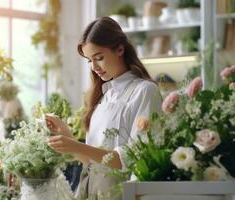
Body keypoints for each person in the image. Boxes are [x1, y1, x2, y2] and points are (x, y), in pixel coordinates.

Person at [46, 16, 162, 200]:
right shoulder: (104, 95)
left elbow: (133, 159)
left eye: (99, 58)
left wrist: (75, 145)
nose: (94, 67)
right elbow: (92, 163)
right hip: (91, 191)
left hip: (121, 193)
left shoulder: (145, 91)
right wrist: (67, 137)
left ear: (120, 49)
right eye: (89, 61)